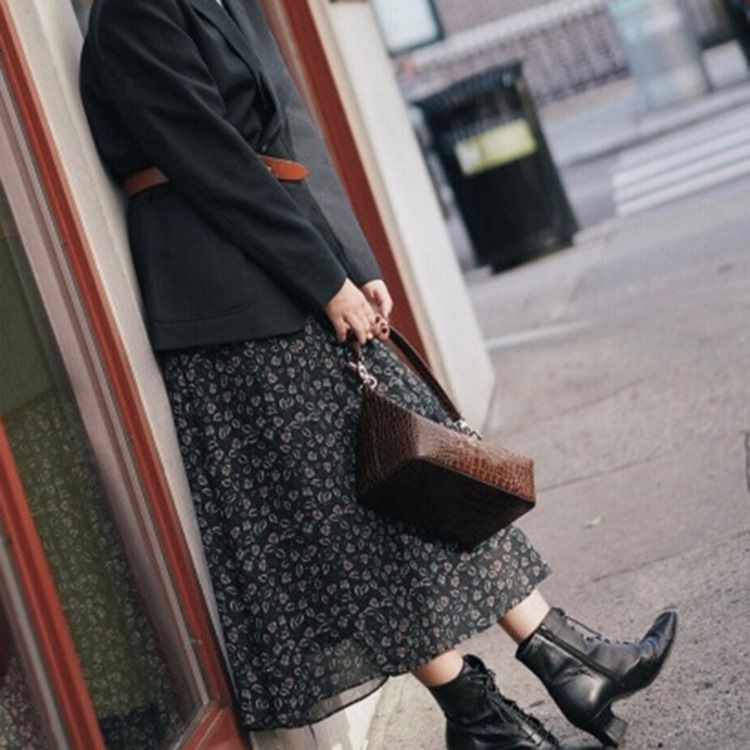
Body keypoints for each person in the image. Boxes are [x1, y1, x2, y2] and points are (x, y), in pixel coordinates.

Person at [78, 1, 677, 747]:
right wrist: (322, 277)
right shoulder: (134, 15)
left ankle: (551, 662)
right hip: (230, 311)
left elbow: (289, 136)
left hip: (288, 276)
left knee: (420, 476)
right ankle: (513, 695)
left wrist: (353, 267)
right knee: (361, 516)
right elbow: (215, 162)